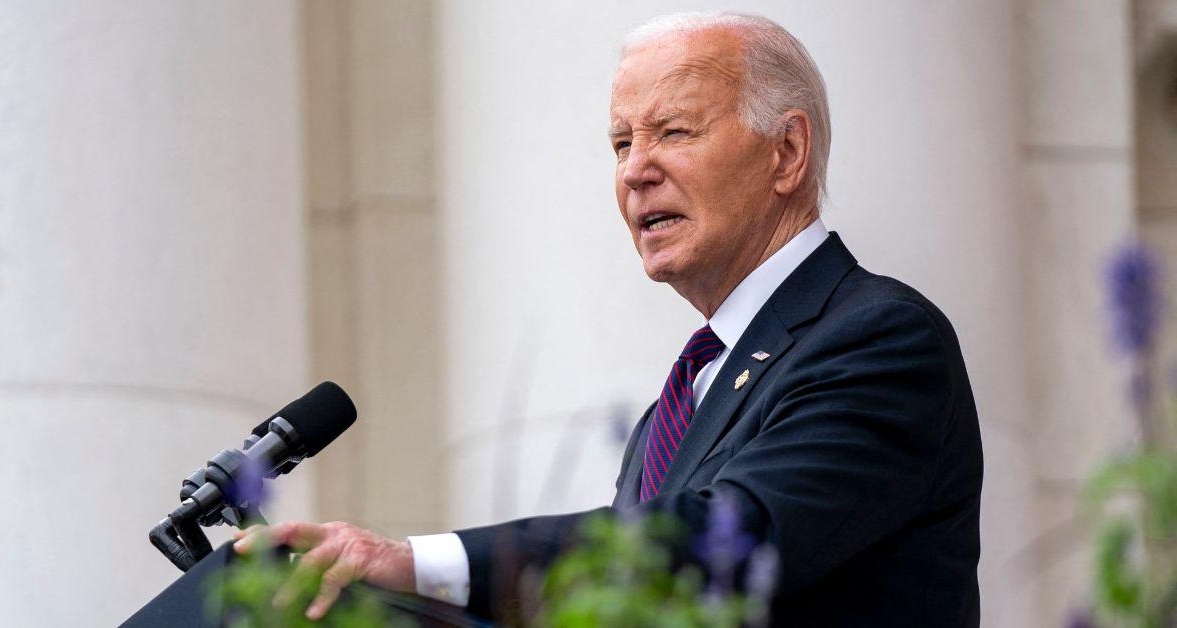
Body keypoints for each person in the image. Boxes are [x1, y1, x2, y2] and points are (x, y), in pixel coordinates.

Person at [235, 11, 983, 626]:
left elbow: (733, 539)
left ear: (786, 152)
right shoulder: (670, 413)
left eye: (674, 132)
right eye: (622, 143)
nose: (634, 170)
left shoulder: (880, 338)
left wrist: (421, 563)